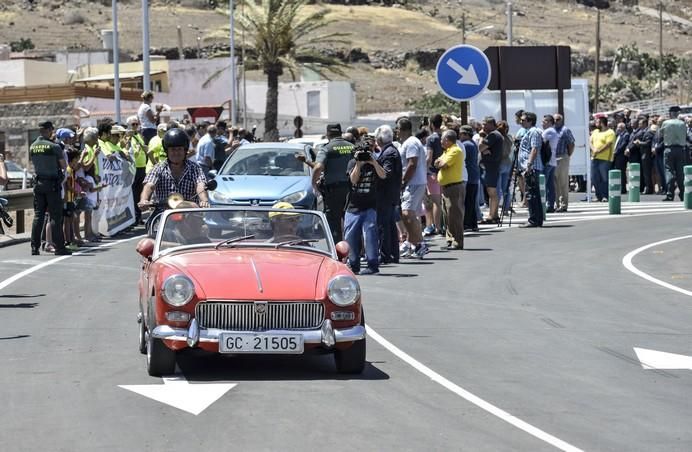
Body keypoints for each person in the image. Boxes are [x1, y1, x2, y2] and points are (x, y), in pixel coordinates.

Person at [139, 128, 210, 214]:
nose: (176, 153)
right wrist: (144, 200)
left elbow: (200, 184)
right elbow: (149, 185)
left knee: (201, 224)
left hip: (189, 214)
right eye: (173, 149)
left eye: (179, 149)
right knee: (151, 225)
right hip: (163, 215)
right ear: (167, 151)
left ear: (185, 150)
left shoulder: (195, 168)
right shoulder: (158, 168)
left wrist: (204, 200)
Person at [344, 139, 387, 274]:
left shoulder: (374, 163)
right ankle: (354, 264)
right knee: (351, 237)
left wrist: (373, 162)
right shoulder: (352, 163)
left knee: (371, 236)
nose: (364, 156)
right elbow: (353, 180)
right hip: (353, 207)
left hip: (370, 206)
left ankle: (373, 265)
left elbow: (383, 175)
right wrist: (358, 163)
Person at [29, 121, 71, 256]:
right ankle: (60, 247)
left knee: (38, 216)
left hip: (38, 184)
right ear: (49, 130)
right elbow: (64, 166)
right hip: (52, 184)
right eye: (52, 129)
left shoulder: (32, 146)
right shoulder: (54, 147)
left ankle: (34, 247)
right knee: (55, 217)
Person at [311, 123, 354, 243]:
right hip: (351, 189)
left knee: (333, 223)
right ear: (341, 133)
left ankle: (337, 252)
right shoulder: (351, 147)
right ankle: (354, 253)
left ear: (328, 134)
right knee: (350, 220)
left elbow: (318, 166)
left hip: (334, 192)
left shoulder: (327, 148)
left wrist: (313, 183)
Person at [397, 117, 428, 258]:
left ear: (402, 129)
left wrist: (403, 181)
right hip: (414, 182)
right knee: (409, 214)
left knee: (407, 213)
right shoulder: (409, 143)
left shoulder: (411, 143)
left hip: (414, 182)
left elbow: (412, 164)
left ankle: (420, 244)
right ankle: (411, 243)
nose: (396, 132)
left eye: (397, 128)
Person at [375, 125, 402, 264]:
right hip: (390, 195)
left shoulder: (389, 153)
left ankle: (387, 255)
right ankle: (392, 254)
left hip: (386, 195)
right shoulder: (390, 151)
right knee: (389, 225)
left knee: (384, 226)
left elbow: (386, 173)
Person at [434, 129, 465, 249]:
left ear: (447, 140)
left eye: (442, 139)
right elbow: (437, 162)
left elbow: (441, 164)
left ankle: (457, 241)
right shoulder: (447, 151)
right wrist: (439, 163)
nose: (440, 141)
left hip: (454, 187)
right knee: (447, 215)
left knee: (455, 215)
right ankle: (450, 239)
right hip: (447, 187)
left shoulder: (455, 150)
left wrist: (440, 163)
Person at [517, 112, 544, 228]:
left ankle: (534, 219)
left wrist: (528, 164)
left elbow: (534, 149)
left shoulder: (534, 132)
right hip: (529, 167)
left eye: (523, 120)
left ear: (530, 121)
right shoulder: (529, 132)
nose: (521, 122)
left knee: (532, 194)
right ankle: (536, 219)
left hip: (532, 167)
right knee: (533, 194)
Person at [660, 106, 688, 201]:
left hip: (669, 149)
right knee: (680, 173)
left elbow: (661, 135)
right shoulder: (683, 123)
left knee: (669, 171)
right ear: (677, 113)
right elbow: (686, 135)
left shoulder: (665, 123)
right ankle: (683, 193)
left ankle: (670, 194)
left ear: (670, 113)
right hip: (681, 149)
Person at [479, 117, 503, 222]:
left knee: (492, 191)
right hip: (492, 166)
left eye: (485, 124)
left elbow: (480, 147)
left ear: (491, 124)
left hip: (491, 167)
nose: (483, 126)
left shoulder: (493, 135)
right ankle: (494, 214)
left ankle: (491, 216)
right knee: (491, 191)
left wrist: (481, 137)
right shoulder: (495, 135)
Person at [424, 114, 443, 236]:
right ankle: (439, 225)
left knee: (434, 201)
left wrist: (423, 169)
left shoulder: (431, 139)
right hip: (443, 172)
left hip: (432, 173)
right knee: (440, 200)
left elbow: (429, 157)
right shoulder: (445, 137)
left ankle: (436, 227)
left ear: (431, 124)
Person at [553, 114, 576, 212]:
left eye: (557, 119)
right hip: (553, 158)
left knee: (563, 182)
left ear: (561, 120)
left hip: (562, 156)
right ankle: (555, 204)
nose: (555, 121)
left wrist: (567, 155)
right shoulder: (552, 130)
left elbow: (571, 143)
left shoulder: (565, 130)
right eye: (554, 119)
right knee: (554, 183)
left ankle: (563, 205)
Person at [590, 116, 616, 202]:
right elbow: (590, 141)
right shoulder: (595, 131)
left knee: (604, 178)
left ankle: (605, 196)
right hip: (594, 158)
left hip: (605, 159)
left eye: (597, 122)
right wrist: (594, 149)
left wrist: (598, 151)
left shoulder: (610, 132)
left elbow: (608, 144)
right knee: (594, 178)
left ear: (601, 122)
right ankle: (598, 196)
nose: (595, 123)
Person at [541, 115, 559, 212]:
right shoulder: (553, 131)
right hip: (552, 161)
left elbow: (540, 143)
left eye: (545, 121)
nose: (542, 123)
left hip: (547, 162)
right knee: (550, 185)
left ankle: (547, 204)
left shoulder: (549, 131)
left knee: (545, 184)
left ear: (550, 122)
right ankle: (550, 204)